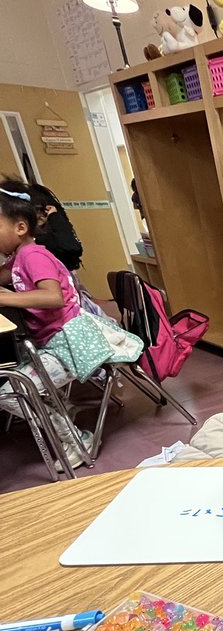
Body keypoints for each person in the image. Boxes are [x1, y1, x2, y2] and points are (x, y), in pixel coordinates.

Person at [0, 183, 141, 466]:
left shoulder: (33, 256)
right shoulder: (20, 258)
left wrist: (7, 298)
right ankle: (64, 411)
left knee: (12, 393)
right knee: (21, 381)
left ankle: (76, 440)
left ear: (20, 228)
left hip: (71, 342)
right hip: (55, 341)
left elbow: (53, 297)